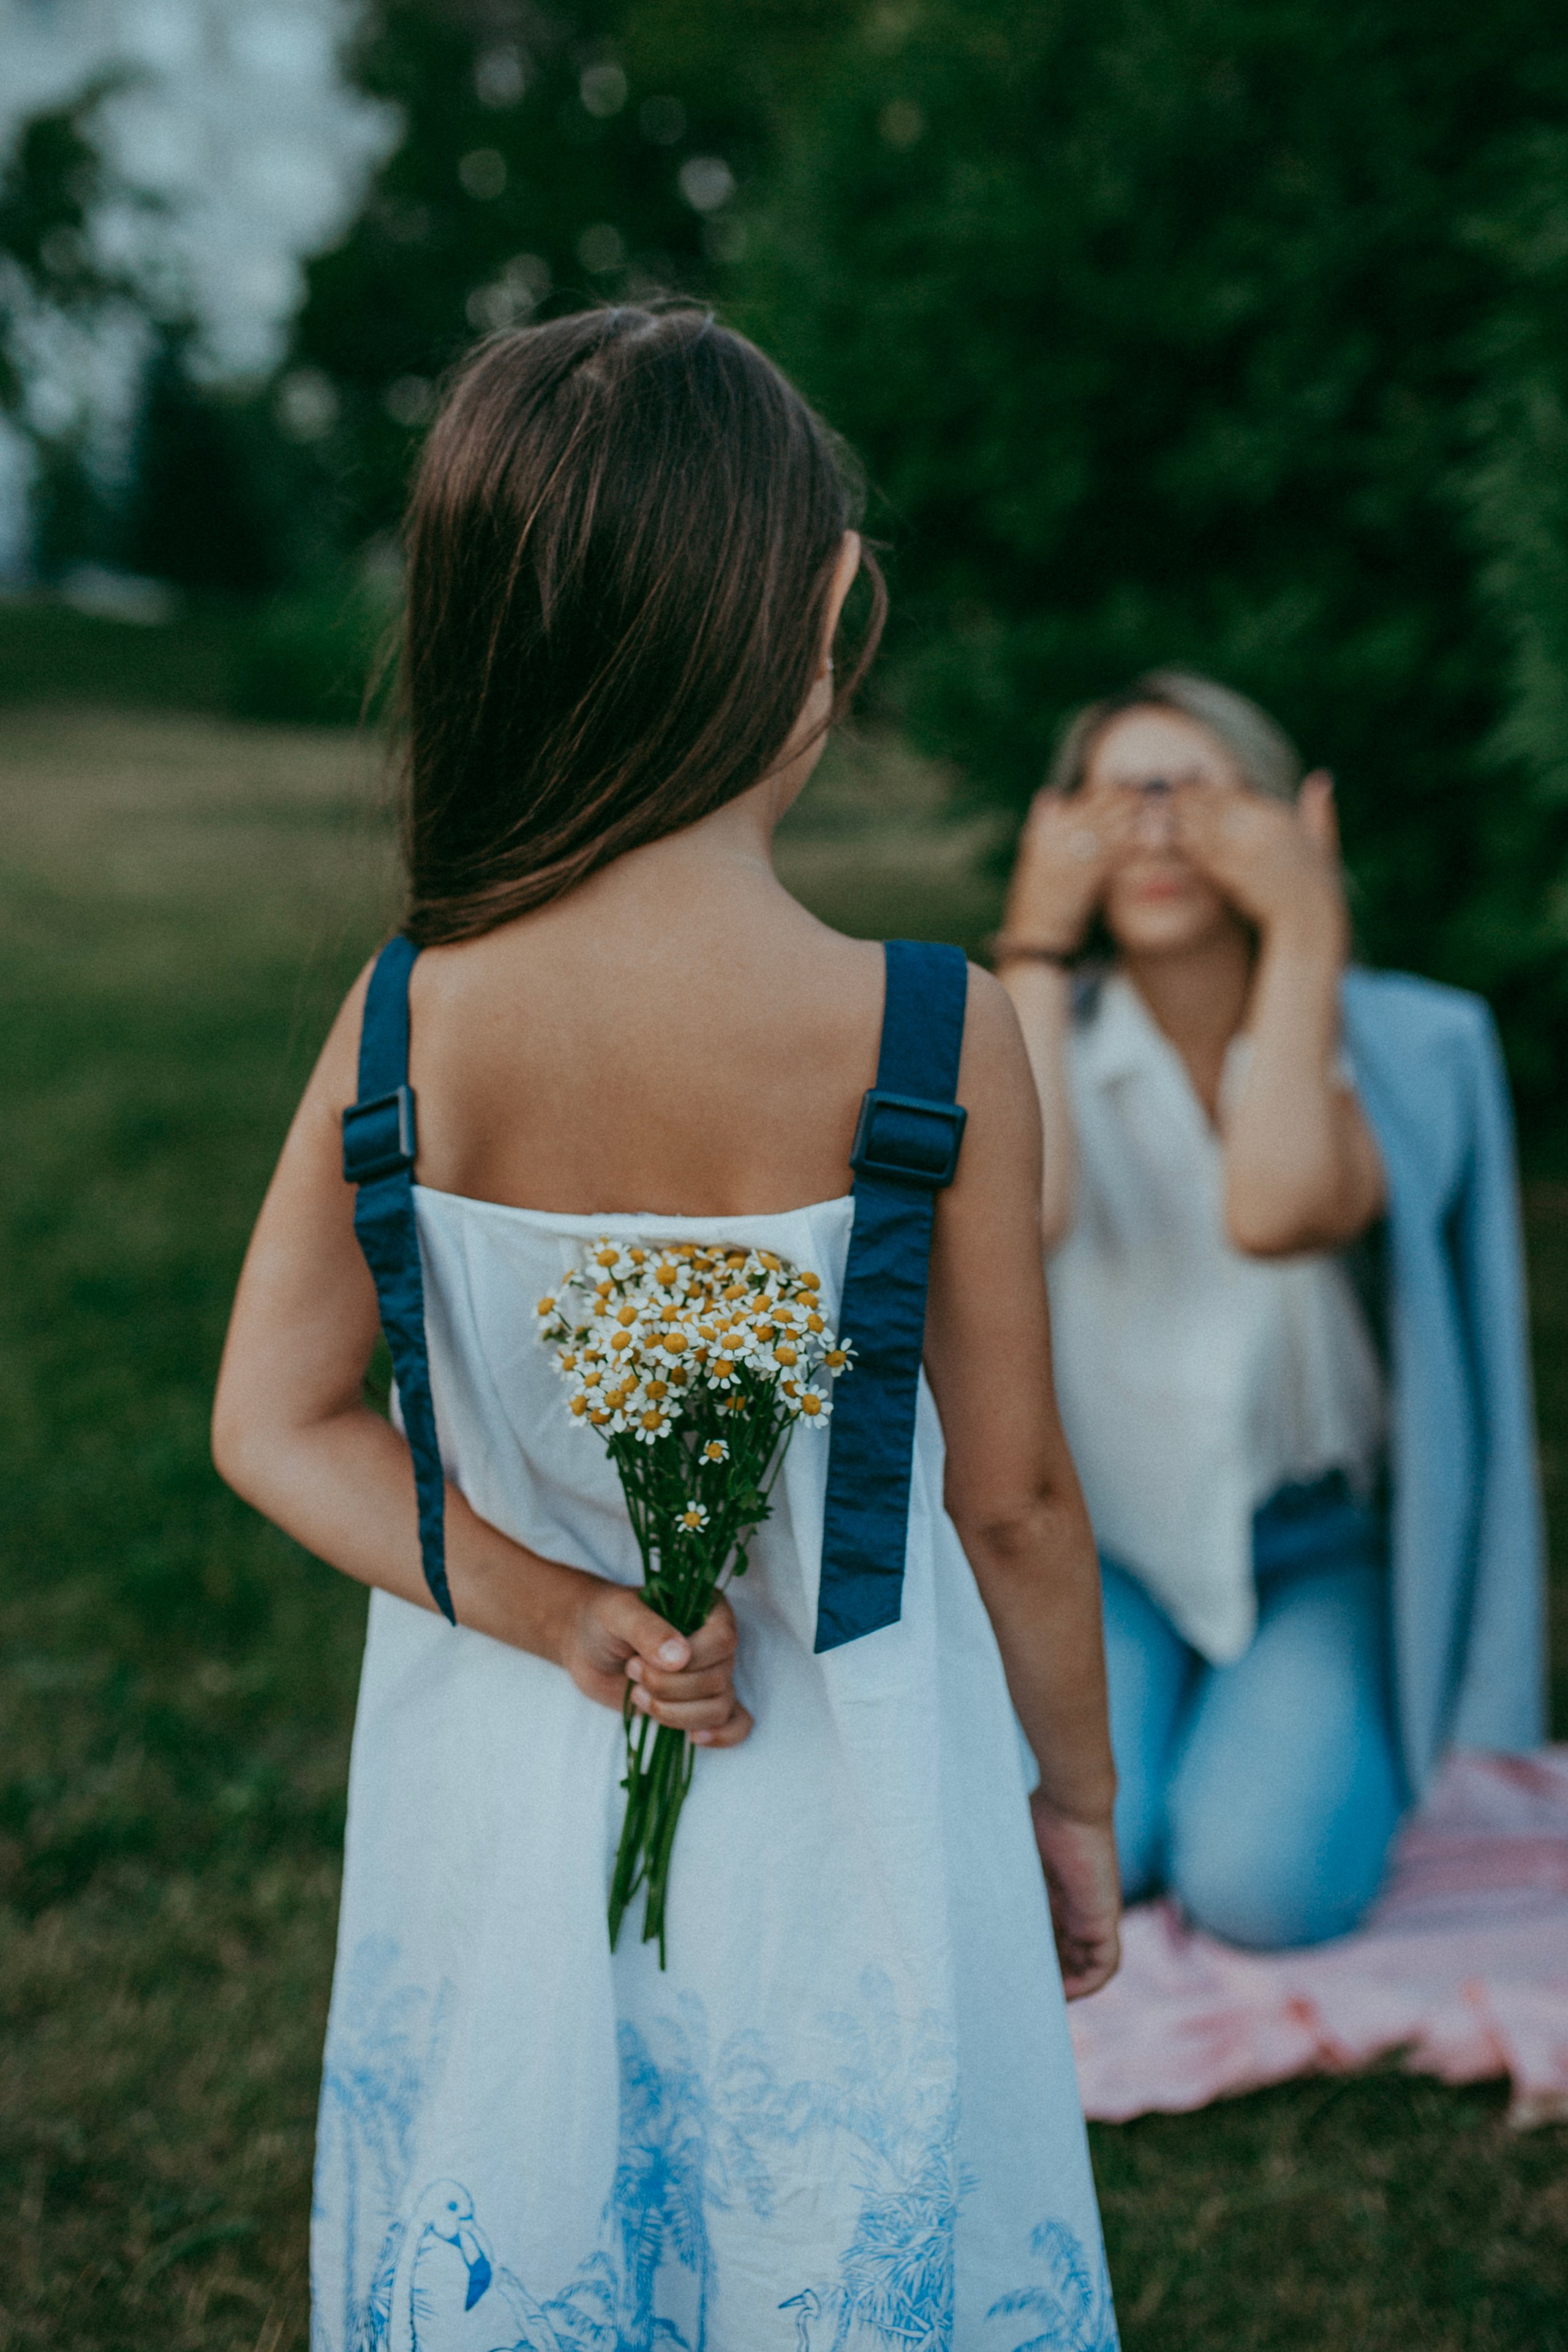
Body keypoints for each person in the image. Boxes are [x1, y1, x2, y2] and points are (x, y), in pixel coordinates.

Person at [212, 308, 1123, 2352]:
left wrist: (549, 1612)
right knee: (852, 2224)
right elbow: (1021, 1506)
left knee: (544, 2202)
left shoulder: (409, 1023)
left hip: (515, 1775)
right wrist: (1072, 1804)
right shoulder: (928, 1032)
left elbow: (275, 1426)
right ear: (812, 613)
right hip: (870, 1809)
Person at [995, 670, 1546, 1952]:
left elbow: (1278, 1207)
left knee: (1260, 1885)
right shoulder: (1031, 1037)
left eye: (1194, 791)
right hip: (1105, 1556)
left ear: (1286, 821)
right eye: (1114, 796)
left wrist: (1305, 931)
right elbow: (1019, 1219)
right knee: (1080, 1861)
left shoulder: (1402, 1048)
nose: (1154, 829)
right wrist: (1028, 944)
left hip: (1314, 1548)